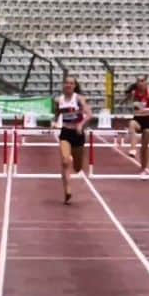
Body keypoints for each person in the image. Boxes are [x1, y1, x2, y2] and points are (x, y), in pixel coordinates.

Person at [52, 76, 92, 204]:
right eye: (67, 83)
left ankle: (74, 160)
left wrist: (81, 124)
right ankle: (67, 191)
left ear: (75, 86)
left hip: (77, 133)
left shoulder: (79, 99)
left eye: (71, 83)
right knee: (65, 161)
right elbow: (57, 113)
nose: (68, 85)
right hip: (65, 132)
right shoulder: (59, 100)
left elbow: (90, 115)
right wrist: (54, 121)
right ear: (63, 85)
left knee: (78, 168)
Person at [123, 75, 149, 175]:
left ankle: (143, 169)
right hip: (137, 120)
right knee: (131, 124)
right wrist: (129, 97)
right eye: (138, 81)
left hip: (147, 120)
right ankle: (133, 149)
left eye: (142, 81)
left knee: (144, 147)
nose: (140, 83)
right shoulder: (135, 93)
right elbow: (127, 102)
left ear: (146, 82)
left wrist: (145, 110)